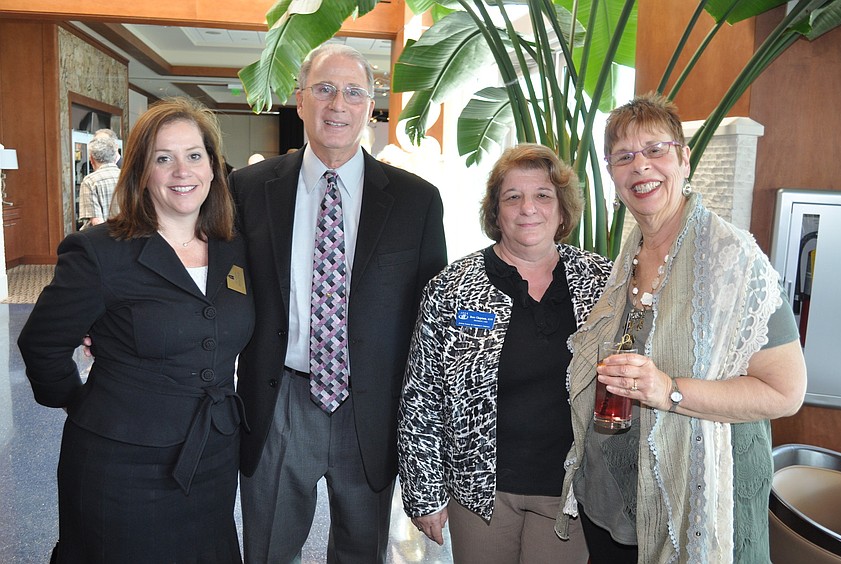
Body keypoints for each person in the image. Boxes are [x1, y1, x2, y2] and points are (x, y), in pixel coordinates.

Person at [556, 93, 807, 563]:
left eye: (656, 149)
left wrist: (669, 390)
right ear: (612, 175)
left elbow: (784, 392)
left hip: (695, 507)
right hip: (615, 507)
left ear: (684, 158)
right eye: (624, 157)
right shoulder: (628, 257)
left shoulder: (732, 261)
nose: (641, 167)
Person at [229, 43, 448, 563]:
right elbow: (212, 280)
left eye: (353, 92)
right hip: (281, 397)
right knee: (267, 550)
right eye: (324, 89)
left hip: (370, 406)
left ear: (370, 108)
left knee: (361, 552)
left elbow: (431, 318)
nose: (338, 105)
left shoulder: (416, 201)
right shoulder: (248, 189)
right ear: (300, 100)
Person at [18, 97, 254, 563]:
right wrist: (80, 401)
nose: (181, 171)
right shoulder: (100, 251)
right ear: (141, 171)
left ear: (212, 166)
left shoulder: (234, 248)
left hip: (212, 456)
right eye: (162, 158)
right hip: (121, 464)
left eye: (194, 155)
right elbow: (41, 344)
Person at [398, 144, 611, 563]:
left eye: (543, 195)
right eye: (512, 196)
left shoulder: (601, 281)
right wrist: (425, 494)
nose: (527, 207)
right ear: (496, 213)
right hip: (480, 491)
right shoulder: (453, 286)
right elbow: (420, 396)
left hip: (570, 490)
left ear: (563, 211)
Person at [77, 134, 120, 229]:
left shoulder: (90, 181)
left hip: (106, 239)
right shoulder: (128, 177)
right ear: (115, 157)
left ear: (91, 159)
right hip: (130, 237)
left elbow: (96, 221)